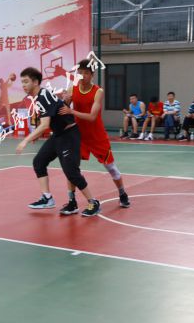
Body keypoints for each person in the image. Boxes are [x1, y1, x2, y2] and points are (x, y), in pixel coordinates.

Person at [15, 67, 101, 217]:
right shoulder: (40, 97)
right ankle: (47, 198)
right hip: (58, 134)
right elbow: (48, 119)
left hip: (69, 135)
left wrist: (25, 140)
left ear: (35, 82)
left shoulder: (43, 96)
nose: (23, 85)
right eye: (22, 82)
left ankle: (93, 202)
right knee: (39, 161)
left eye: (26, 81)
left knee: (71, 172)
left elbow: (45, 125)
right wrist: (37, 134)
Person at [58, 61, 130, 212]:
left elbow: (92, 117)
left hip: (97, 136)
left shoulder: (98, 91)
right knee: (71, 169)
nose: (83, 76)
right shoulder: (72, 89)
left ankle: (122, 193)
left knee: (111, 168)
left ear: (92, 75)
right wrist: (63, 101)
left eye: (86, 73)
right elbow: (63, 108)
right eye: (80, 73)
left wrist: (71, 111)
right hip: (78, 136)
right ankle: (72, 201)